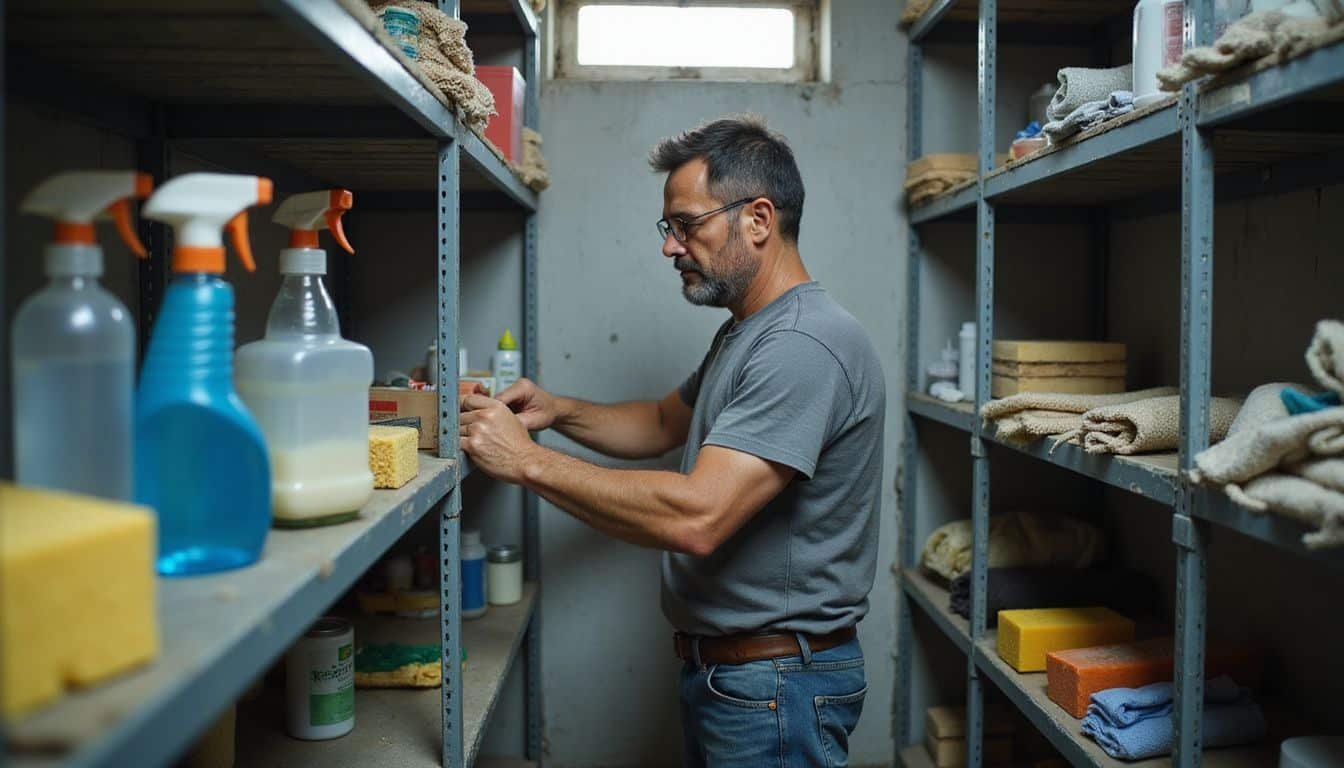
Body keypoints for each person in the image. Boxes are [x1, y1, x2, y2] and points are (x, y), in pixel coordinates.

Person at [459, 115, 886, 767]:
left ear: (759, 219)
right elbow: (662, 423)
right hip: (740, 680)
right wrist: (557, 409)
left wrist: (526, 462)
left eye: (688, 224)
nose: (671, 246)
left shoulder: (802, 346)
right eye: (671, 227)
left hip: (775, 687)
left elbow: (699, 516)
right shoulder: (748, 332)